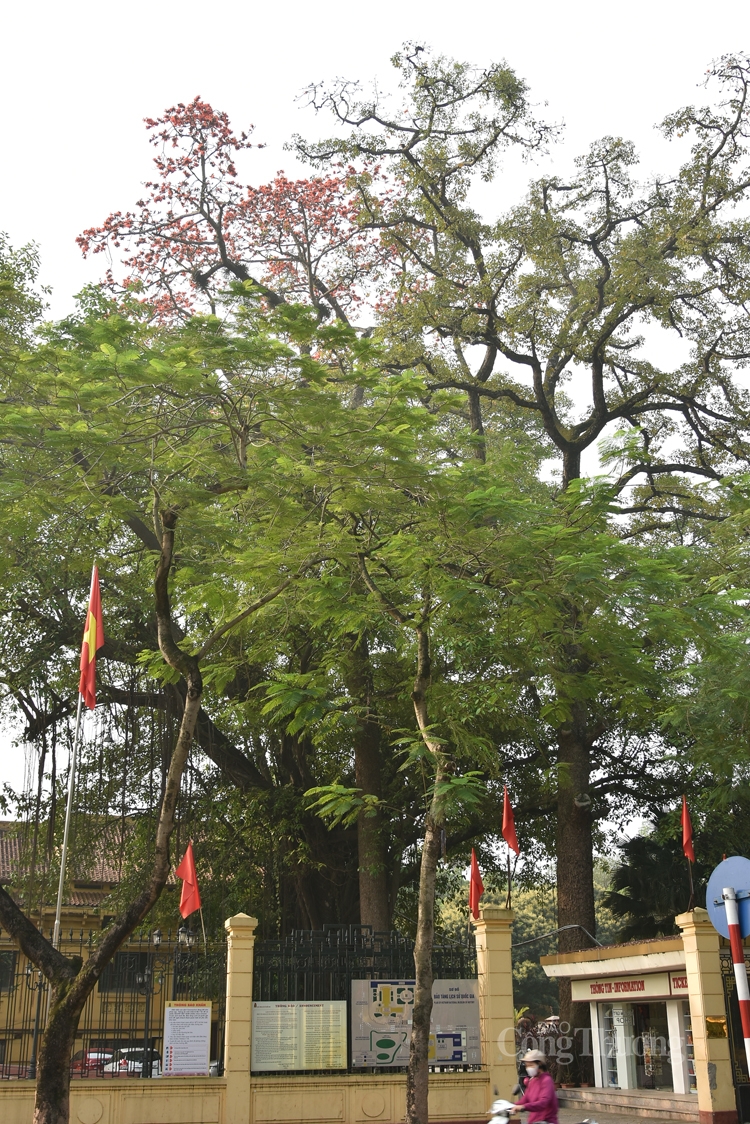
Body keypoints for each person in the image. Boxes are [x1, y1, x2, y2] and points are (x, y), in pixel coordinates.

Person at [513, 1049, 559, 1124]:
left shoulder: (547, 1080)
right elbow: (525, 1100)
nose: (528, 1068)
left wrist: (523, 1107)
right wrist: (511, 1105)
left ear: (539, 1064)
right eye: (527, 1066)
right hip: (534, 1121)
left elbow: (543, 1102)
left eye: (531, 1065)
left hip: (546, 1121)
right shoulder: (532, 1081)